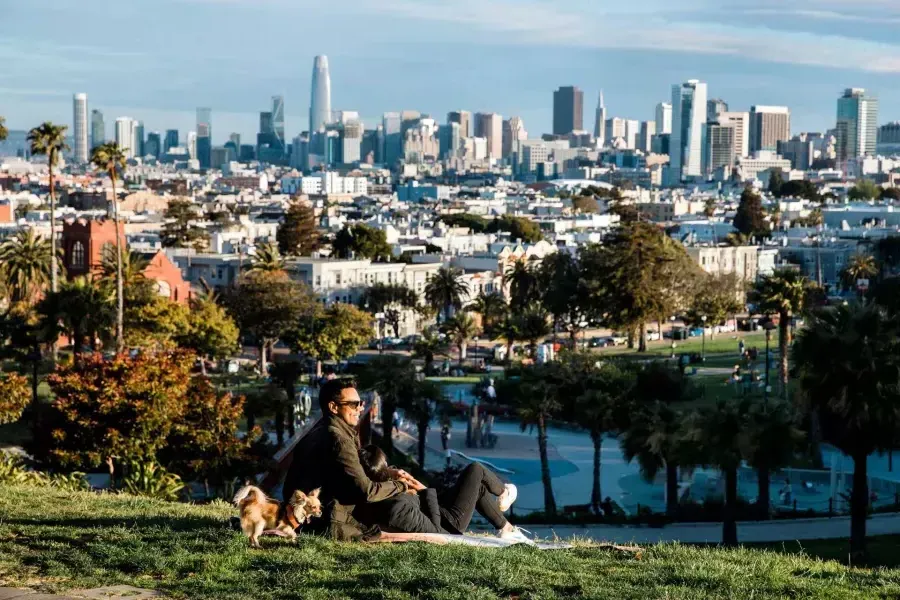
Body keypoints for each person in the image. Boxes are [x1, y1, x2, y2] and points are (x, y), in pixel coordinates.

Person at [282, 378, 416, 541]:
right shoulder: (339, 440)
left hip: (314, 521)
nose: (360, 408)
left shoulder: (317, 432)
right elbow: (367, 491)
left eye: (361, 403)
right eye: (354, 404)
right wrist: (402, 485)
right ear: (333, 407)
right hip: (332, 524)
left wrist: (388, 473)